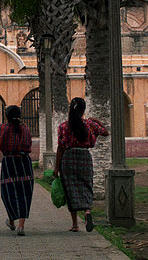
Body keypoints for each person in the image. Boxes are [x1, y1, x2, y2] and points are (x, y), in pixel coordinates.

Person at [53, 97, 109, 232]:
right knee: (86, 185)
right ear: (83, 110)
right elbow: (106, 133)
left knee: (70, 189)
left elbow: (60, 148)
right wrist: (97, 121)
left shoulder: (64, 126)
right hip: (84, 157)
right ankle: (87, 211)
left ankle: (75, 224)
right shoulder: (89, 125)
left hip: (68, 158)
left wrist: (56, 167)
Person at [0, 105, 34, 236]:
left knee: (8, 192)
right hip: (25, 162)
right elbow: (29, 144)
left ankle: (12, 220)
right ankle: (21, 225)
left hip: (9, 162)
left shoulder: (3, 128)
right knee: (25, 192)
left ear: (7, 116)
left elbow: (1, 146)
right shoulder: (25, 129)